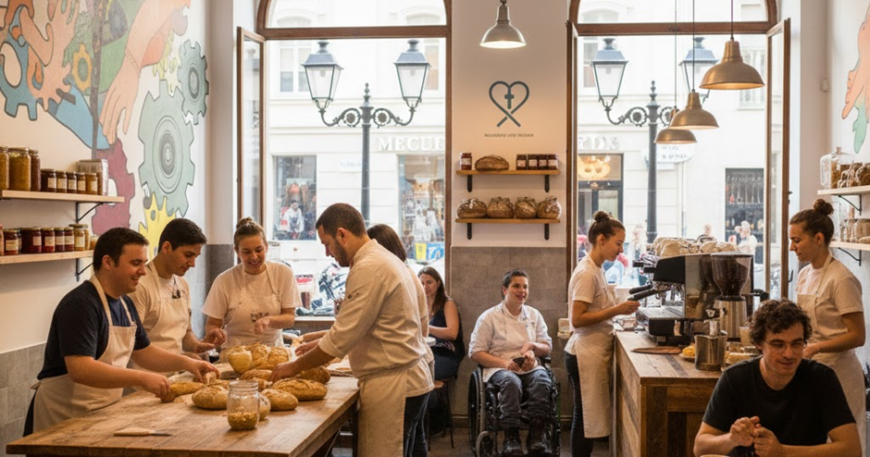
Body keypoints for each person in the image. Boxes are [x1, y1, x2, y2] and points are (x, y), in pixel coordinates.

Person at [270, 204, 433, 457]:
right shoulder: (383, 259)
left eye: (327, 244)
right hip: (406, 378)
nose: (327, 253)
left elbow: (341, 339)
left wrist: (292, 367)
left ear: (342, 234)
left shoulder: (369, 268)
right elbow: (358, 328)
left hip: (393, 385)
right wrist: (318, 345)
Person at [25, 228, 218, 435]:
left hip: (98, 415)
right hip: (62, 418)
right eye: (136, 264)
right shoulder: (81, 305)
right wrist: (141, 378)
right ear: (108, 262)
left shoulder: (124, 303)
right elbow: (80, 369)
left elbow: (144, 352)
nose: (143, 271)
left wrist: (188, 363)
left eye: (144, 263)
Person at [693, 300, 861, 457]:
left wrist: (783, 452)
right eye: (778, 345)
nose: (789, 354)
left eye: (796, 344)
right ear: (759, 343)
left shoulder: (821, 378)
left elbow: (852, 450)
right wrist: (732, 439)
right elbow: (700, 447)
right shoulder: (735, 378)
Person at [789, 198, 866, 451]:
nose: (792, 247)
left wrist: (816, 348)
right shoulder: (804, 275)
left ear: (819, 239)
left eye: (797, 240)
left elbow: (858, 336)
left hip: (840, 374)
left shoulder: (842, 279)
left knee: (843, 445)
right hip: (812, 369)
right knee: (815, 440)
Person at [565, 211, 640, 457]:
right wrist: (616, 309)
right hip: (584, 353)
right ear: (601, 240)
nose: (620, 249)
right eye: (618, 243)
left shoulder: (596, 268)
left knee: (588, 417)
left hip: (591, 351)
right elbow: (577, 319)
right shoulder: (587, 272)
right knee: (585, 418)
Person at [468, 269, 553, 456]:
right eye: (516, 286)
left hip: (530, 367)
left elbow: (547, 347)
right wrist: (505, 363)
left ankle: (537, 435)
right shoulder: (489, 317)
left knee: (543, 380)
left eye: (525, 286)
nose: (522, 290)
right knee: (510, 381)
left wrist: (532, 349)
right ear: (505, 290)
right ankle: (511, 437)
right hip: (499, 367)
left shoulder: (534, 315)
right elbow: (475, 352)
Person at [128, 219, 225, 362]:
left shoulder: (182, 284)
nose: (192, 264)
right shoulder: (140, 286)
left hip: (176, 375)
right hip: (145, 379)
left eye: (195, 257)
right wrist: (181, 359)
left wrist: (197, 346)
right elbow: (133, 346)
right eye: (188, 255)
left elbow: (186, 332)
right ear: (166, 247)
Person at [203, 218, 301, 347]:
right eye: (247, 252)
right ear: (237, 251)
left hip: (273, 352)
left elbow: (289, 318)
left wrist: (269, 320)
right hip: (235, 353)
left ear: (266, 247)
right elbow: (212, 323)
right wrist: (215, 333)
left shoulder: (283, 273)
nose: (254, 257)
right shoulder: (224, 281)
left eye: (259, 250)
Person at [419, 266, 463, 381]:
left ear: (438, 283)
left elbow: (452, 333)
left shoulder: (447, 304)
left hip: (446, 355)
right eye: (422, 283)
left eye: (429, 282)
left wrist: (426, 328)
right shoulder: (420, 305)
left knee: (423, 373)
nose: (425, 287)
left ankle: (432, 399)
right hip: (426, 352)